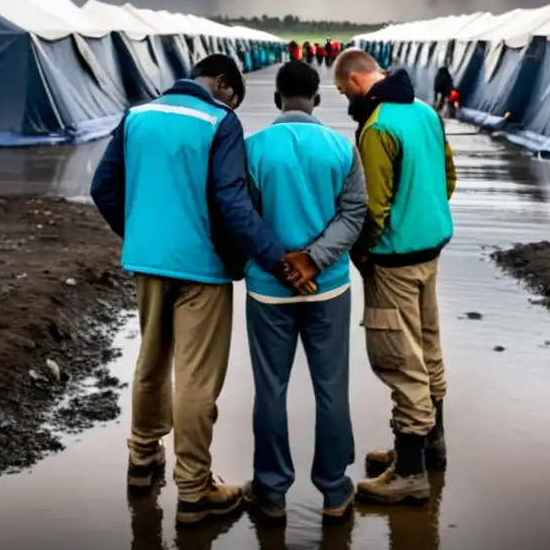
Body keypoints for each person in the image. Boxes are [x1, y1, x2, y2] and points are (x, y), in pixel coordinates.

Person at [90, 54, 309, 527]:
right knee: (195, 379)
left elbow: (103, 188)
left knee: (151, 360)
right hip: (201, 268)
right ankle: (194, 490)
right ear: (224, 84)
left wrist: (139, 234)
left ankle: (141, 460)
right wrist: (276, 257)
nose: (233, 103)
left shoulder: (137, 116)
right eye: (235, 96)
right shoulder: (218, 121)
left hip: (148, 263)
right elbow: (231, 202)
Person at [242, 60, 368, 524]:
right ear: (317, 99)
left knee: (270, 390)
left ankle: (272, 493)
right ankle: (334, 491)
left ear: (277, 99)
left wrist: (281, 263)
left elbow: (244, 219)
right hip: (328, 290)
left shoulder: (252, 149)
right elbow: (354, 214)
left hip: (268, 290)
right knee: (331, 389)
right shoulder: (340, 147)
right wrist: (312, 261)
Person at [332, 49, 456, 506]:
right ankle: (430, 445)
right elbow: (448, 174)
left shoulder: (377, 125)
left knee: (398, 359)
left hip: (394, 261)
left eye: (345, 92)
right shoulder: (425, 111)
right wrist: (427, 214)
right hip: (430, 250)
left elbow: (372, 206)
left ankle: (409, 471)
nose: (346, 99)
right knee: (428, 345)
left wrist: (360, 253)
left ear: (357, 81)